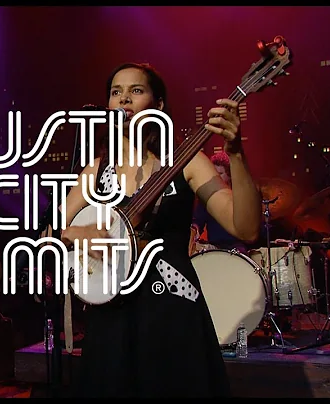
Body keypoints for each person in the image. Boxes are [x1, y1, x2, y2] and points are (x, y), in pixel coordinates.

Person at [55, 63, 261, 397]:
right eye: (116, 92)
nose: (124, 100)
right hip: (111, 315)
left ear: (158, 105)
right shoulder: (95, 171)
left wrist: (235, 154)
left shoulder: (185, 160)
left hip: (170, 309)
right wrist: (74, 234)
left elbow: (246, 227)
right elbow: (50, 230)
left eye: (136, 91)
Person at [190, 151, 250, 254]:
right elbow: (197, 221)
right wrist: (195, 229)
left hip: (237, 248)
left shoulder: (240, 198)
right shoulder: (206, 199)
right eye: (214, 173)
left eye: (220, 174)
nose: (216, 177)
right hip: (214, 248)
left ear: (229, 175)